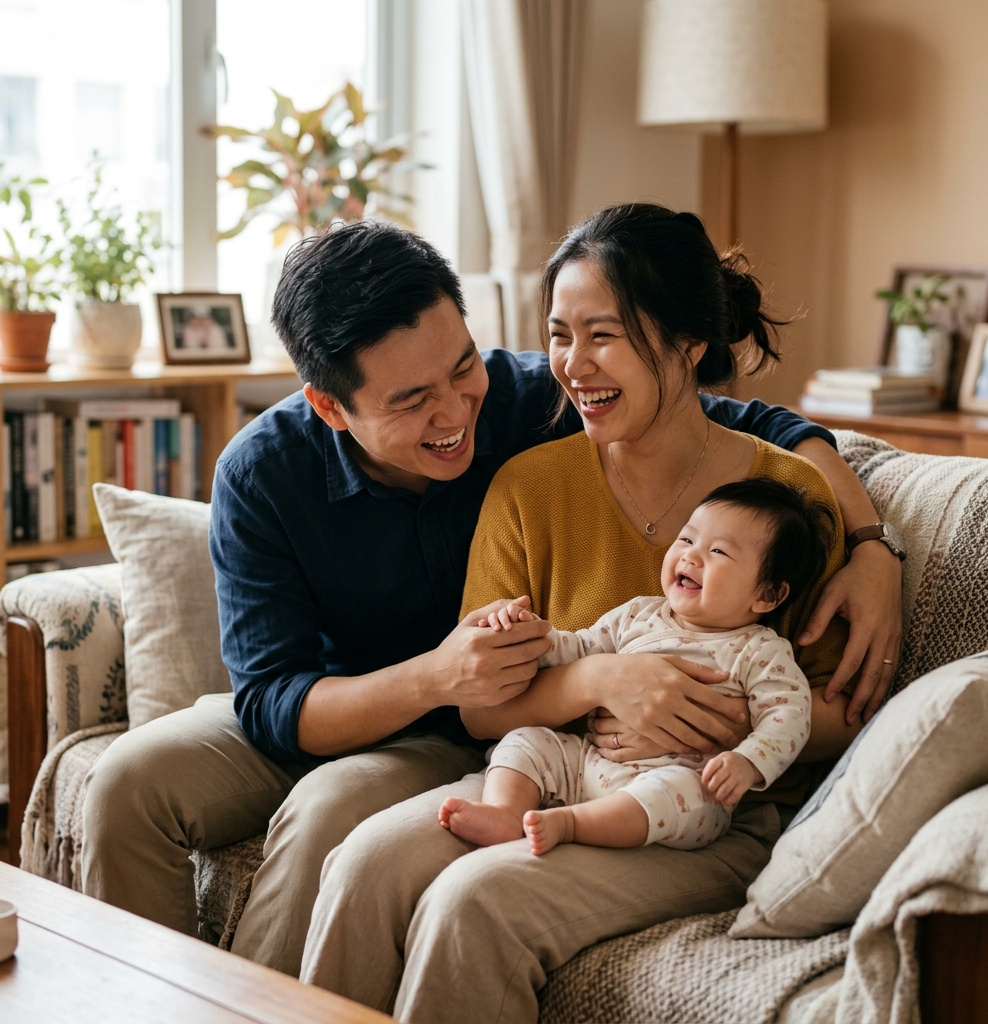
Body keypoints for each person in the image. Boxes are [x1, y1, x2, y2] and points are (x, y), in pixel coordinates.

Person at [79, 215, 900, 983]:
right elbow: (272, 702)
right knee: (127, 782)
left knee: (334, 813)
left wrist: (871, 547)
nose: (453, 412)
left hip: (478, 729)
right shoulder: (263, 472)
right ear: (329, 406)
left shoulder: (527, 398)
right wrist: (440, 676)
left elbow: (727, 418)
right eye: (410, 401)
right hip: (354, 702)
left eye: (462, 366)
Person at [297, 205, 903, 1022]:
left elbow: (848, 712)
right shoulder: (528, 485)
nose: (573, 365)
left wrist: (716, 720)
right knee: (367, 861)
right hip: (558, 770)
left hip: (703, 815)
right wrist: (605, 682)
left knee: (472, 902)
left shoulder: (786, 499)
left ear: (690, 343)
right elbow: (480, 706)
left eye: (603, 335)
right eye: (558, 335)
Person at [439, 477, 834, 857]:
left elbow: (789, 716)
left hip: (678, 783)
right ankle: (506, 812)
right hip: (593, 763)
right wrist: (532, 635)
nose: (690, 555)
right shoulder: (638, 615)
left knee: (684, 793)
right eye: (687, 538)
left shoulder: (759, 650)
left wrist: (748, 761)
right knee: (527, 741)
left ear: (767, 595)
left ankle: (571, 824)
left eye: (718, 552)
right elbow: (578, 647)